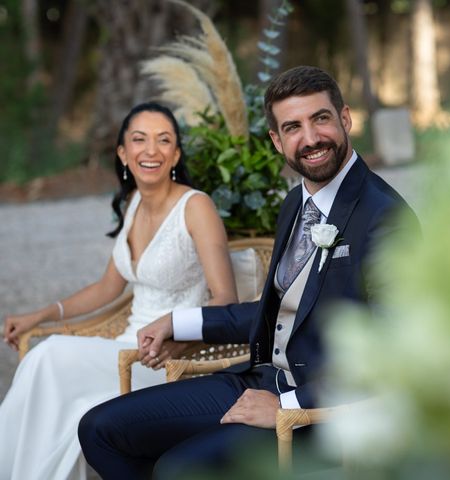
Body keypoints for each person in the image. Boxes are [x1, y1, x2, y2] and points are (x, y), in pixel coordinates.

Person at [79, 66, 418, 478]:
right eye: (293, 127)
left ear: (345, 118)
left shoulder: (386, 217)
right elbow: (276, 311)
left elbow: (395, 351)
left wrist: (287, 405)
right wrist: (180, 322)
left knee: (176, 468)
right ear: (277, 141)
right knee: (100, 429)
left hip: (320, 409)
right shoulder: (297, 204)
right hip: (257, 378)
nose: (310, 139)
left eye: (321, 119)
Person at [0, 102, 238, 480]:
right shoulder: (133, 203)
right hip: (123, 347)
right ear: (123, 153)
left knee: (47, 359)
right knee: (42, 369)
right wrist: (40, 315)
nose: (151, 150)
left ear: (175, 153)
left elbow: (226, 299)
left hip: (167, 364)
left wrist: (180, 336)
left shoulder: (196, 208)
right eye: (139, 140)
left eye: (164, 140)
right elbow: (108, 287)